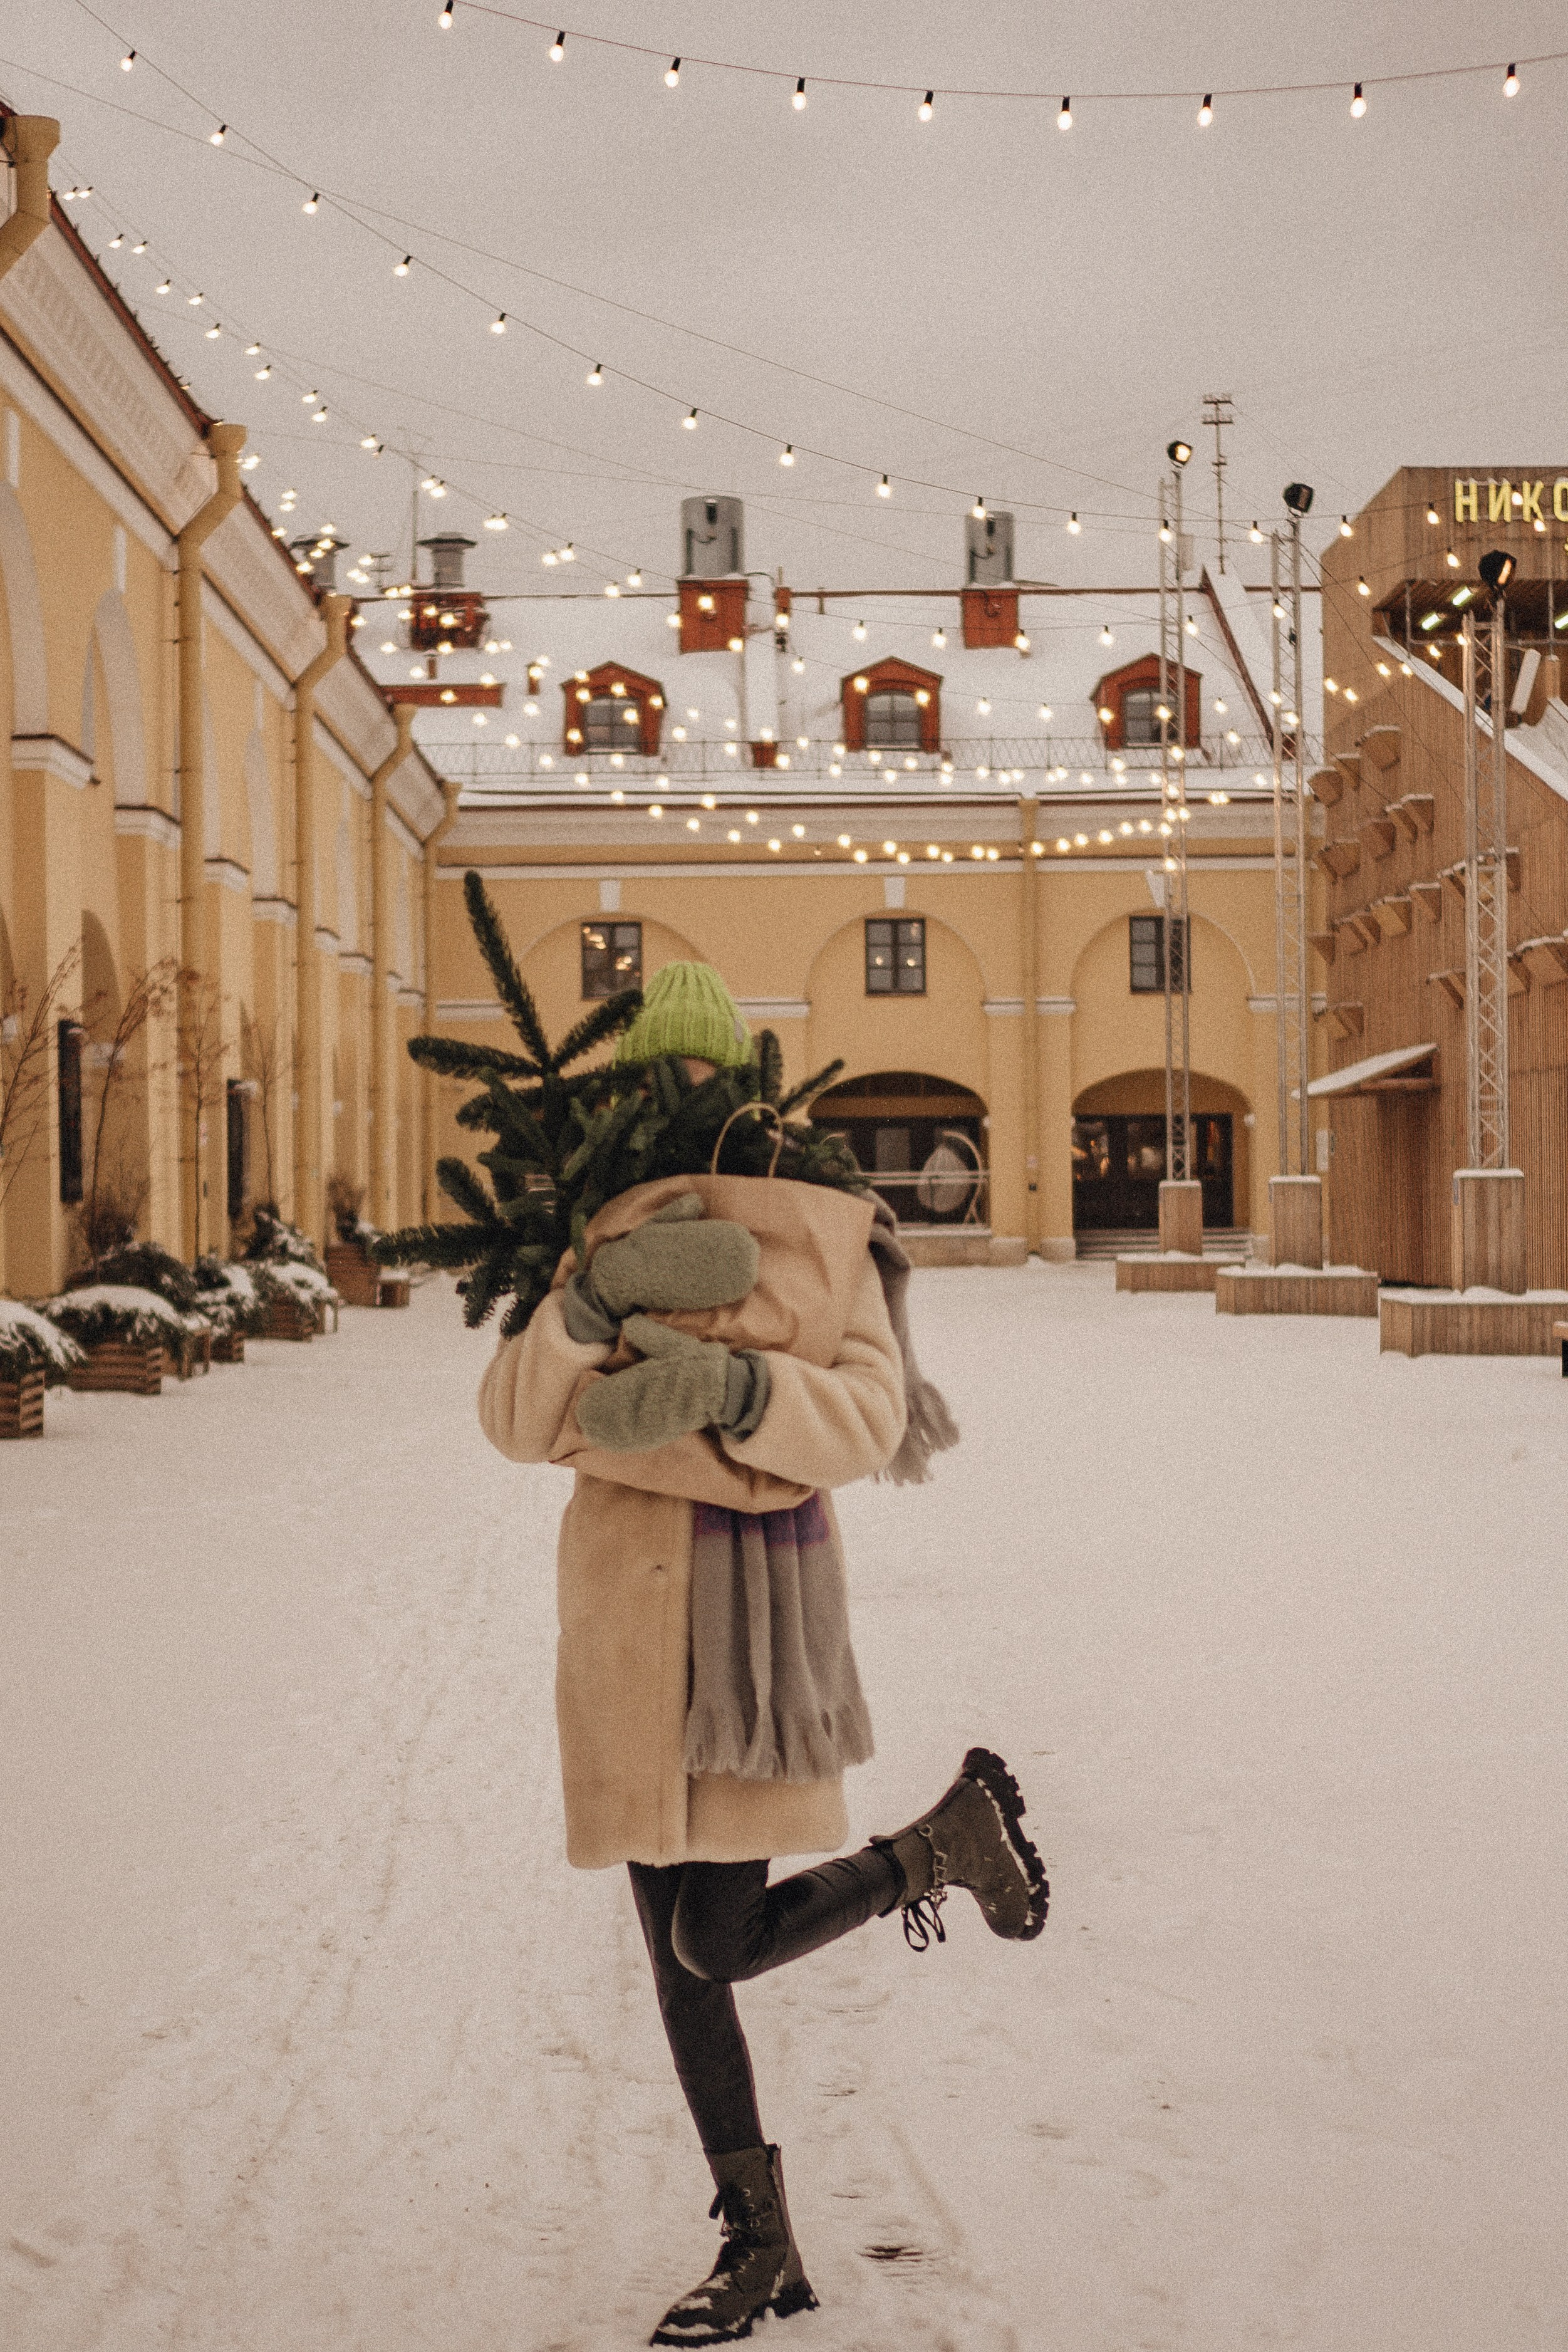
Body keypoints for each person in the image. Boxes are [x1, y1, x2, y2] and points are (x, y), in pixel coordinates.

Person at [479, 960, 1047, 2346]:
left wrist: (738, 1389)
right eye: (655, 1076)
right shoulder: (603, 1231)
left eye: (697, 1071)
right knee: (680, 1970)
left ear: (736, 1079)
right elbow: (515, 1419)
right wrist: (585, 1313)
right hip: (625, 1633)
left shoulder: (816, 1232)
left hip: (752, 1637)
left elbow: (866, 1415)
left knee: (713, 1935)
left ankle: (939, 1843)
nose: (675, 1096)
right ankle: (759, 2244)